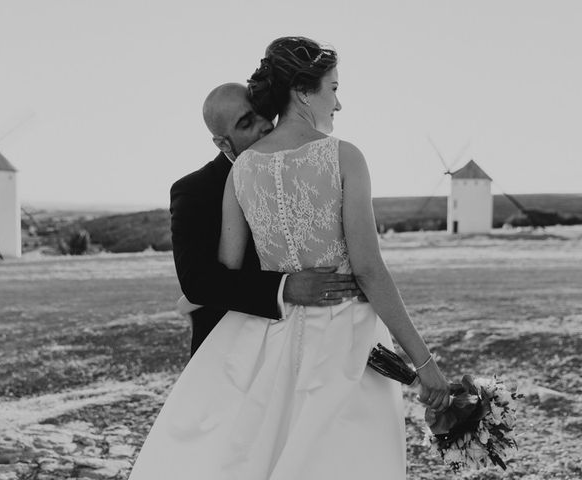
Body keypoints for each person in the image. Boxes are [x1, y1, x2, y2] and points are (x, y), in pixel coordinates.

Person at [129, 37, 450, 480]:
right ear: (303, 90)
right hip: (345, 339)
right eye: (333, 88)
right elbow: (370, 270)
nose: (338, 102)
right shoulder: (344, 156)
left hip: (271, 342)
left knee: (268, 452)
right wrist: (425, 363)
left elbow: (228, 265)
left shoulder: (242, 170)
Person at [170, 82, 361, 356]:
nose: (265, 125)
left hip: (311, 340)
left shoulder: (305, 166)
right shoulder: (194, 190)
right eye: (247, 123)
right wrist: (285, 288)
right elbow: (198, 283)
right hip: (228, 351)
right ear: (222, 142)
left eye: (264, 113)